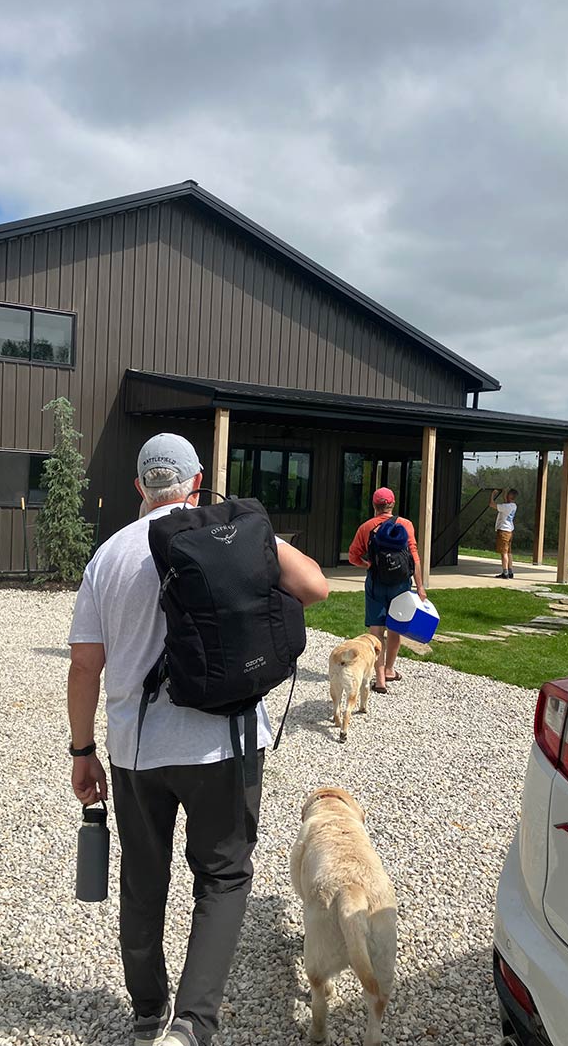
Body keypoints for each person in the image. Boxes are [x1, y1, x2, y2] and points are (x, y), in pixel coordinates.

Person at [67, 433, 328, 1046]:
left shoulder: (108, 556)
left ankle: (147, 1012)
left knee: (143, 874)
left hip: (136, 751)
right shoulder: (236, 533)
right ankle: (192, 1024)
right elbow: (315, 588)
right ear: (196, 478)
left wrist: (82, 751)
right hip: (228, 743)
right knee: (225, 877)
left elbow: (85, 665)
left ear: (140, 487)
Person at [348, 487, 426, 693]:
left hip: (376, 583)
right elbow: (414, 558)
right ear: (392, 504)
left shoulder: (366, 527)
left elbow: (353, 556)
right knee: (395, 628)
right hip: (401, 584)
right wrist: (420, 586)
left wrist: (368, 565)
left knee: (376, 631)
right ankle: (390, 669)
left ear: (374, 505)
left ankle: (380, 679)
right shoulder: (406, 525)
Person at [490, 487, 518, 579]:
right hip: (510, 531)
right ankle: (510, 571)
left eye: (507, 494)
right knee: (509, 552)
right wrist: (504, 492)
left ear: (510, 496)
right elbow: (506, 500)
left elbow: (492, 504)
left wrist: (493, 495)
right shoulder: (513, 506)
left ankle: (505, 572)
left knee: (504, 553)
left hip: (503, 531)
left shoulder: (505, 507)